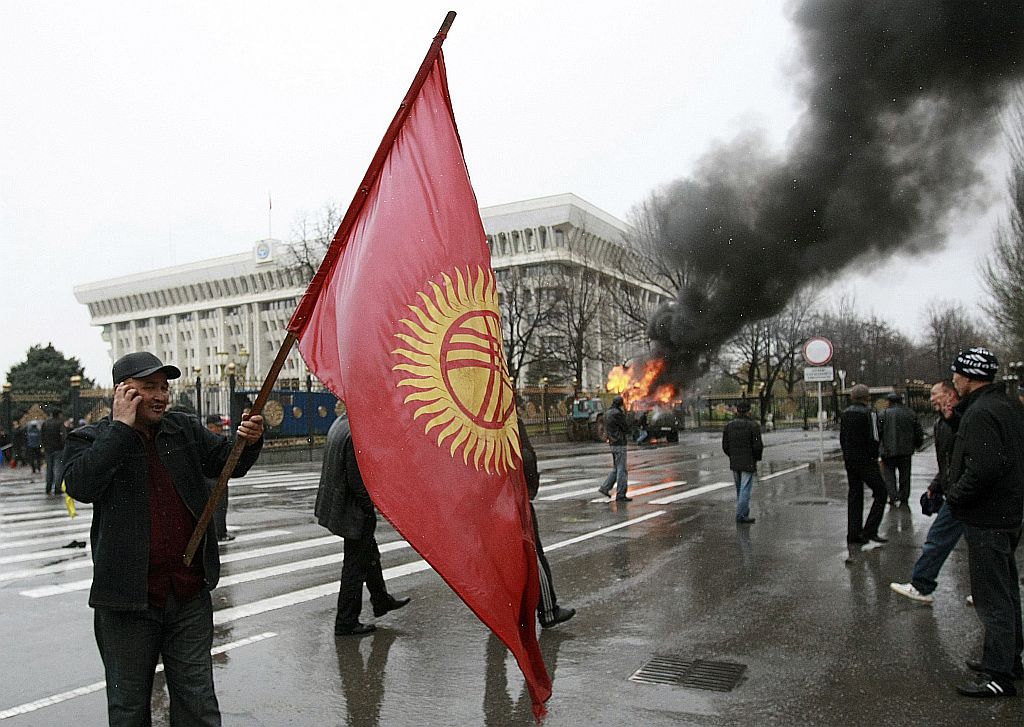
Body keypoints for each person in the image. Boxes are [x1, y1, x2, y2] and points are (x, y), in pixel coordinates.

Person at [63, 351, 265, 726]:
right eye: (148, 387)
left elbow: (226, 463)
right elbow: (81, 485)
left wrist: (249, 441)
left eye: (164, 387)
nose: (160, 396)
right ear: (123, 392)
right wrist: (121, 430)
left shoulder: (182, 429)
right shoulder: (90, 439)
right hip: (126, 601)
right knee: (128, 709)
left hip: (187, 593)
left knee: (198, 703)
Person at [944, 348, 1024, 698]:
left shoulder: (982, 412)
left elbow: (984, 468)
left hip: (988, 517)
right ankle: (1008, 661)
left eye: (957, 375)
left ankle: (998, 677)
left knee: (993, 600)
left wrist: (954, 495)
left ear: (971, 377)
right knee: (1006, 591)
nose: (954, 381)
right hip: (1006, 513)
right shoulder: (1006, 406)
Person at [316, 412, 410, 636]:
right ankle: (346, 621)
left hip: (341, 506)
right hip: (352, 511)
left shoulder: (342, 422)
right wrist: (371, 508)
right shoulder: (355, 433)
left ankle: (381, 600)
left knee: (367, 553)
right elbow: (358, 482)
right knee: (355, 567)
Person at [890, 380, 963, 604]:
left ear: (950, 395)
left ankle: (922, 585)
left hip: (962, 493)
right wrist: (935, 485)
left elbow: (960, 459)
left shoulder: (959, 420)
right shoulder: (944, 421)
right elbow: (949, 462)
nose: (931, 399)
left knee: (938, 538)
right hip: (960, 490)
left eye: (934, 394)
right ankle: (988, 592)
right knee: (983, 546)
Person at [517, 408, 575, 628]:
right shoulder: (511, 422)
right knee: (534, 557)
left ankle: (504, 616)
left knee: (505, 564)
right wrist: (530, 490)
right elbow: (527, 457)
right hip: (518, 506)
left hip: (498, 508)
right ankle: (548, 612)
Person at [839, 384, 888, 547]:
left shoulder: (845, 414)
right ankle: (870, 530)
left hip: (850, 459)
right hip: (866, 460)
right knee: (881, 492)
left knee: (855, 494)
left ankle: (853, 533)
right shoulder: (870, 413)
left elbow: (842, 438)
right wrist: (875, 456)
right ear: (867, 397)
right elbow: (874, 437)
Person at [878, 392, 924, 507]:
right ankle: (904, 497)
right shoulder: (910, 413)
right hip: (906, 451)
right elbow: (918, 431)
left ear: (889, 402)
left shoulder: (883, 414)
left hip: (888, 451)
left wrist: (879, 448)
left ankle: (893, 496)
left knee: (889, 475)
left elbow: (879, 432)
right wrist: (917, 444)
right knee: (905, 475)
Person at [722, 399, 763, 524]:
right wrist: (756, 459)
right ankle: (741, 515)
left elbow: (725, 445)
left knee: (740, 488)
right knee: (745, 488)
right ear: (749, 411)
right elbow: (758, 446)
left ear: (737, 410)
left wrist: (732, 455)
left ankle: (743, 512)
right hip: (748, 461)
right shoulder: (753, 426)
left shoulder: (729, 425)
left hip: (734, 462)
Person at [205, 414, 234, 542]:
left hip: (210, 477)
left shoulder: (207, 439)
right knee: (219, 506)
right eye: (217, 426)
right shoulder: (214, 440)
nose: (220, 429)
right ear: (210, 427)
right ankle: (220, 533)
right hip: (215, 478)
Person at [597, 395, 630, 501]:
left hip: (612, 443)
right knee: (622, 470)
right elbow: (625, 427)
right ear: (620, 403)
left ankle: (605, 487)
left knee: (616, 468)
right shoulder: (617, 413)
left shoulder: (607, 413)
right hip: (619, 443)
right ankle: (620, 494)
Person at [41, 407, 67, 495]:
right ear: (59, 414)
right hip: (58, 449)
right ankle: (57, 488)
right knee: (58, 469)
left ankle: (48, 487)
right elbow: (63, 437)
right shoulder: (60, 423)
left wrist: (44, 446)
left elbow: (42, 436)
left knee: (49, 469)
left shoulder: (46, 423)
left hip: (48, 449)